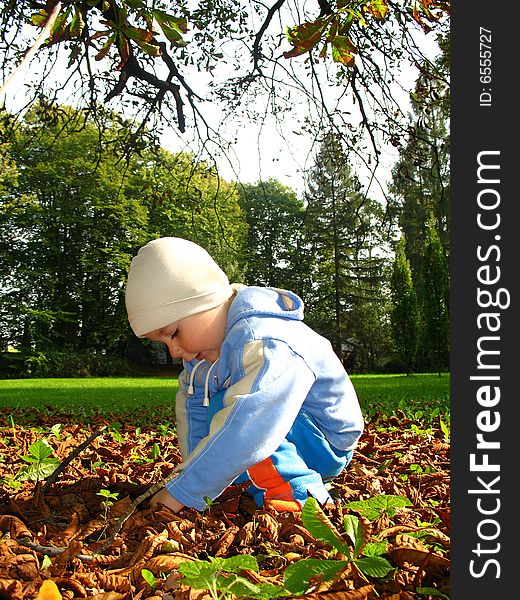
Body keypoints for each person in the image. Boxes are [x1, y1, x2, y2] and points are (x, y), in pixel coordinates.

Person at [125, 237, 364, 513]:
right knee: (224, 415)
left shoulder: (269, 339)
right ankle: (248, 482)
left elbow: (252, 423)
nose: (174, 351)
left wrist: (184, 492)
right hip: (277, 431)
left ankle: (302, 498)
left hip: (323, 439)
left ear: (204, 301)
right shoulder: (201, 359)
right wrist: (190, 484)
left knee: (237, 417)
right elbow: (194, 416)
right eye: (162, 343)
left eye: (173, 333)